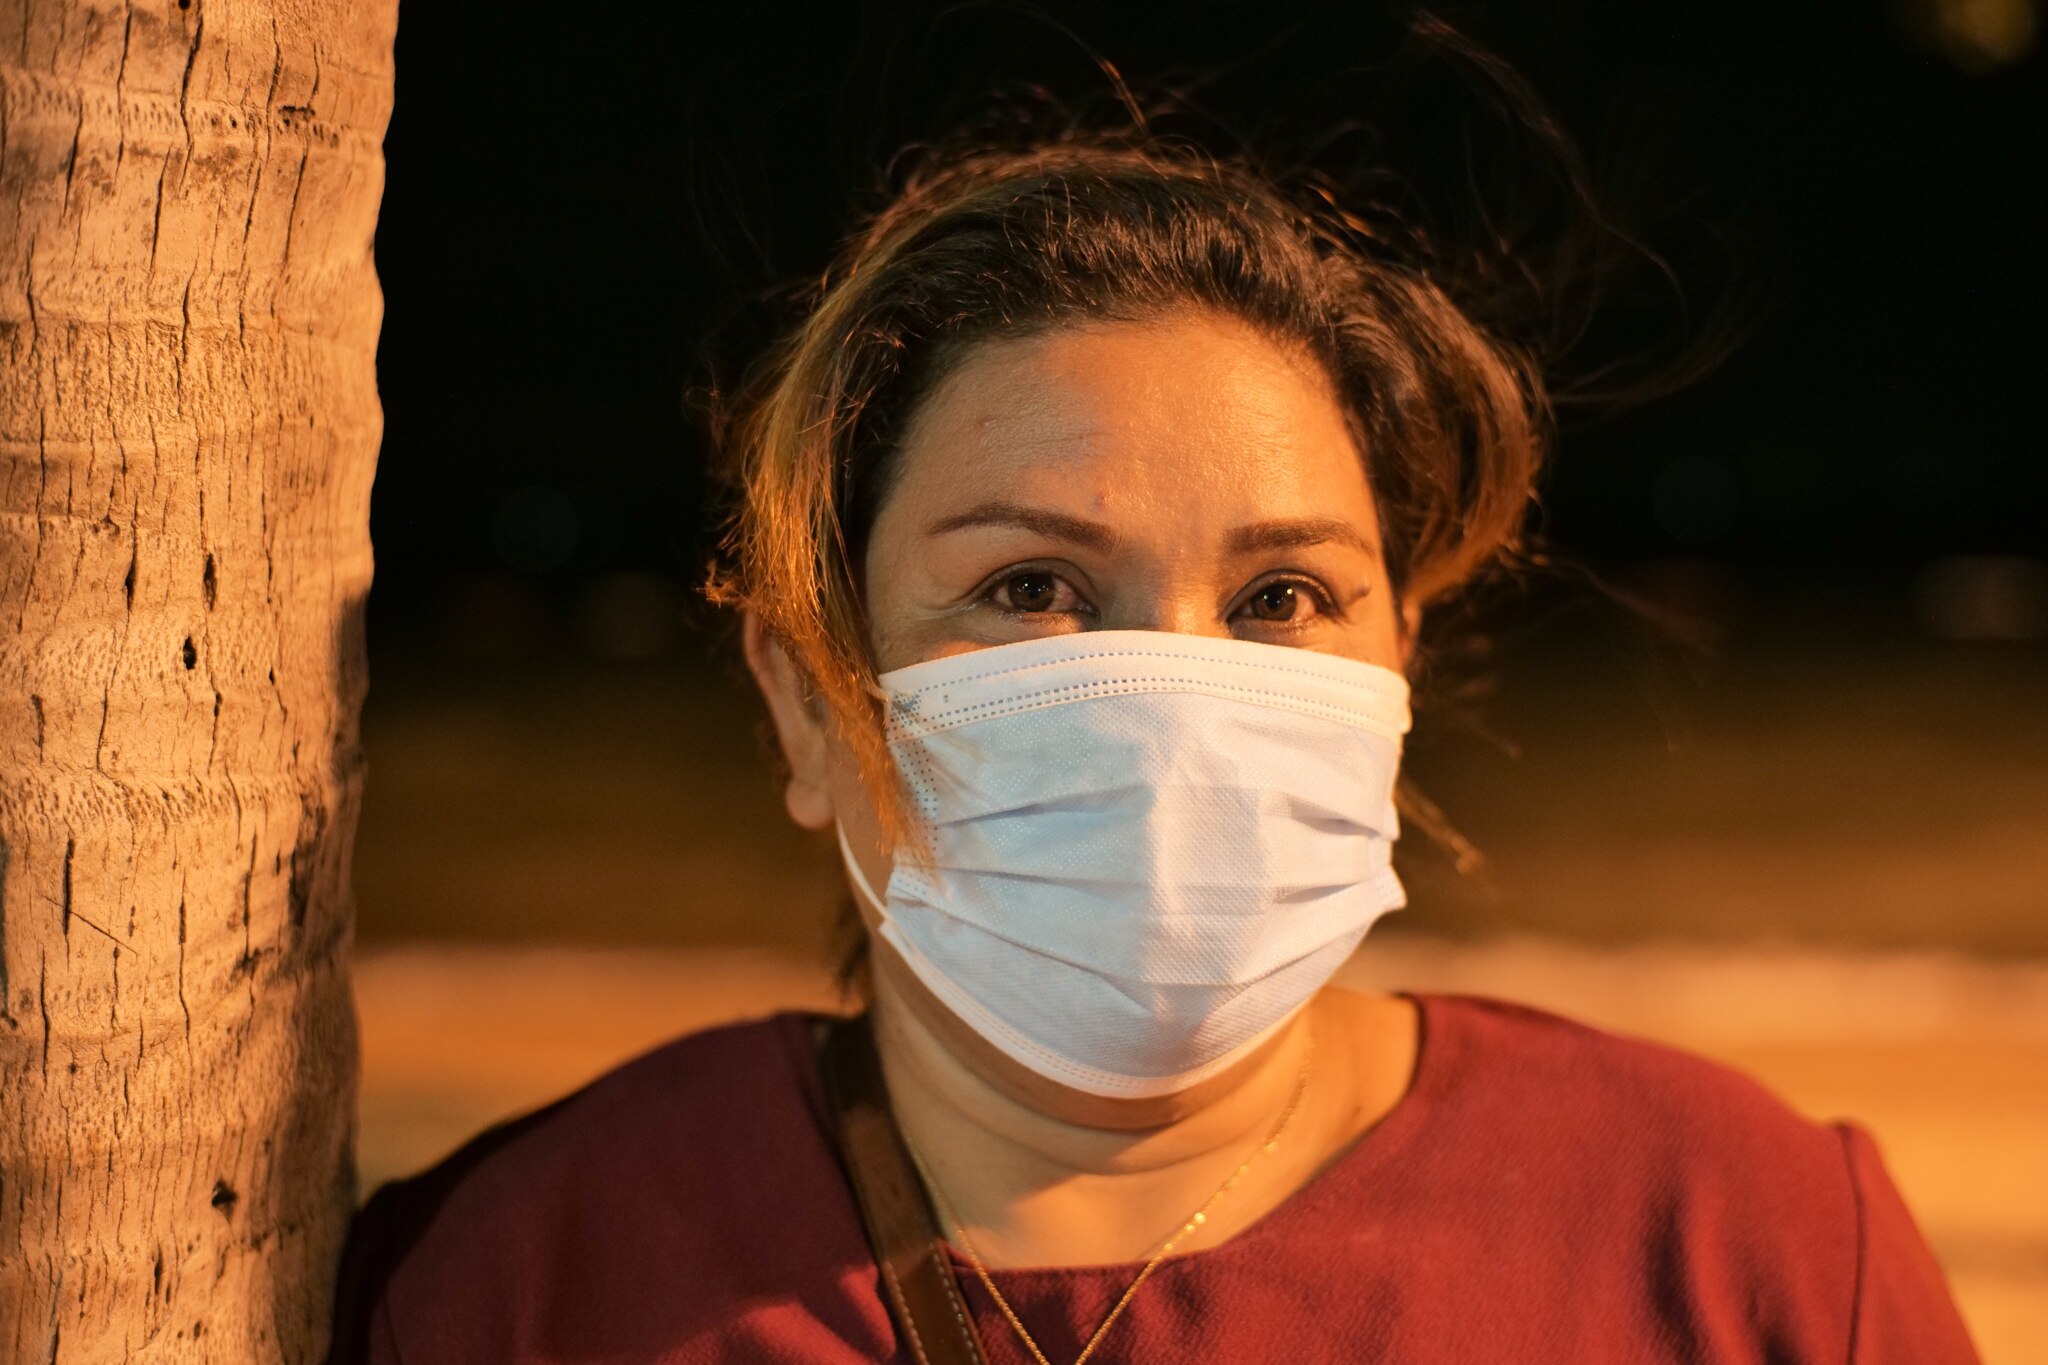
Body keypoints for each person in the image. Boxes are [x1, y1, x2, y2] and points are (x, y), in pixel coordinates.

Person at [328, 131, 1980, 1363]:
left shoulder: (1740, 1243)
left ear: (1399, 663)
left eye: (1281, 592)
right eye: (1031, 585)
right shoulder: (527, 1278)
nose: (1175, 698)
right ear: (810, 700)